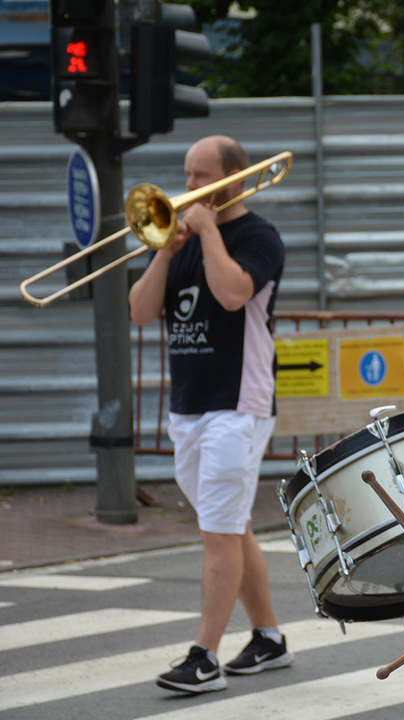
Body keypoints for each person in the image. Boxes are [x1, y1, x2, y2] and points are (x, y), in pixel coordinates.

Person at [129, 135, 292, 693]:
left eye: (201, 176)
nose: (190, 186)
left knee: (218, 532)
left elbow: (231, 294)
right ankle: (269, 636)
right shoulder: (178, 240)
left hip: (237, 404)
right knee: (232, 526)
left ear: (235, 178)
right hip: (189, 405)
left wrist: (206, 232)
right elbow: (140, 311)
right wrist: (166, 251)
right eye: (188, 174)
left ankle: (204, 657)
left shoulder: (258, 236)